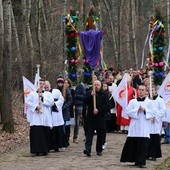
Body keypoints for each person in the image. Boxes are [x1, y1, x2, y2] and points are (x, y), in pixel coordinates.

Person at [120, 85, 154, 168]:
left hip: (144, 126)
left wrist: (145, 110)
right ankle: (135, 160)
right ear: (138, 91)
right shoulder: (132, 102)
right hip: (135, 126)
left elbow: (153, 113)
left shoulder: (150, 102)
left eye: (143, 90)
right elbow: (127, 111)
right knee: (134, 144)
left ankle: (141, 162)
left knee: (143, 145)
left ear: (146, 91)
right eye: (140, 89)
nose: (141, 91)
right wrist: (137, 110)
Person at [26, 79, 54, 156]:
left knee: (44, 133)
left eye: (42, 83)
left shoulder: (48, 94)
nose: (41, 85)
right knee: (36, 133)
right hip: (36, 117)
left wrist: (43, 98)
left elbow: (51, 103)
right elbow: (28, 102)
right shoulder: (32, 94)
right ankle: (36, 150)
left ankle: (44, 149)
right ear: (36, 84)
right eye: (39, 83)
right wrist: (35, 107)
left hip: (45, 117)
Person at [83, 80, 110, 157]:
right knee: (89, 134)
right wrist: (90, 96)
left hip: (100, 118)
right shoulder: (90, 93)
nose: (96, 86)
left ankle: (99, 150)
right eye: (95, 85)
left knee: (100, 135)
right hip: (91, 117)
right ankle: (87, 149)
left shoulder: (104, 95)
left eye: (97, 85)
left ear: (100, 86)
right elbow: (85, 102)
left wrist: (98, 110)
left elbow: (107, 106)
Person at [44, 80, 64, 152]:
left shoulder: (56, 91)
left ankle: (57, 146)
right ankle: (48, 146)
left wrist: (55, 104)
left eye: (47, 86)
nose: (46, 87)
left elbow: (61, 99)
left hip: (56, 113)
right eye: (45, 86)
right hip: (48, 113)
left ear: (50, 85)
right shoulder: (43, 93)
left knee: (56, 131)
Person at [147, 85, 166, 161]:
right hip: (149, 121)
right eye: (150, 90)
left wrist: (155, 116)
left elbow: (163, 110)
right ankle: (148, 154)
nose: (151, 91)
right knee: (148, 139)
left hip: (156, 122)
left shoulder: (160, 100)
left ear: (156, 91)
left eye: (153, 90)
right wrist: (149, 116)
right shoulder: (147, 100)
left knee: (155, 139)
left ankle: (154, 155)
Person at [73, 77, 86, 144]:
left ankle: (86, 136)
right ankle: (75, 137)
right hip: (79, 105)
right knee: (77, 123)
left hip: (83, 105)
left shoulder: (83, 85)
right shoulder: (79, 86)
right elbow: (77, 95)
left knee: (84, 122)